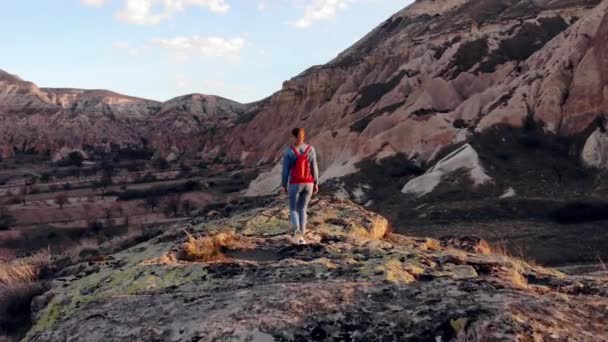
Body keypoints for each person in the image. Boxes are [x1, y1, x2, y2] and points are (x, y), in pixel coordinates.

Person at [281, 127, 319, 244]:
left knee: (293, 209)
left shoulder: (289, 151)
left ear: (293, 136)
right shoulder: (310, 149)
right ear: (303, 136)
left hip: (295, 183)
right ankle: (302, 236)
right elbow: (314, 168)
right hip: (309, 183)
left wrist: (284, 184)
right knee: (303, 208)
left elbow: (285, 170)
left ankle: (298, 235)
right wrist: (316, 183)